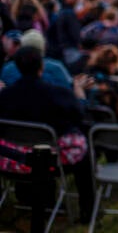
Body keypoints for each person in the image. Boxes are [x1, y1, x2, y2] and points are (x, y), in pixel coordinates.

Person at [0, 46, 94, 223]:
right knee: (84, 152)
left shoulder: (5, 96)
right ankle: (87, 212)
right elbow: (79, 115)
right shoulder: (58, 95)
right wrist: (79, 91)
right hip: (50, 161)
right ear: (41, 67)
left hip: (13, 160)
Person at [0, 29, 72, 89]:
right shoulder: (57, 67)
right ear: (43, 47)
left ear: (21, 47)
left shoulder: (8, 69)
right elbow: (68, 90)